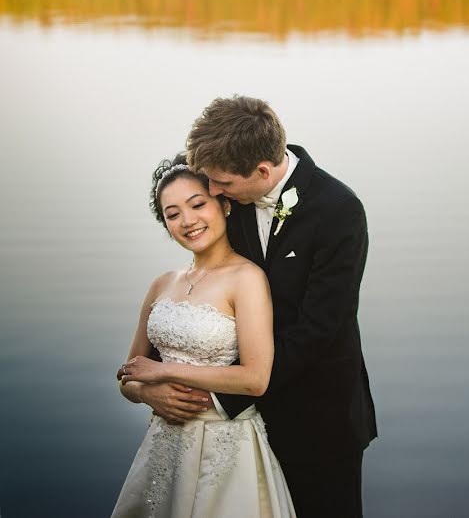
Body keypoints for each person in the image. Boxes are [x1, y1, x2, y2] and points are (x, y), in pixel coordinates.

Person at [186, 95, 377, 517]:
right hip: (238, 425)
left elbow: (320, 330)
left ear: (263, 171)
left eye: (223, 184)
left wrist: (224, 395)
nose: (213, 193)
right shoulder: (225, 197)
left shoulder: (339, 211)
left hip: (319, 418)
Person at [112, 157, 296, 517]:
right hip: (163, 446)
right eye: (173, 213)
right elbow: (129, 374)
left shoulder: (247, 278)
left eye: (198, 205)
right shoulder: (162, 284)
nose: (188, 221)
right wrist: (147, 393)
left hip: (226, 449)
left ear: (224, 205)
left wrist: (164, 372)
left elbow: (255, 380)